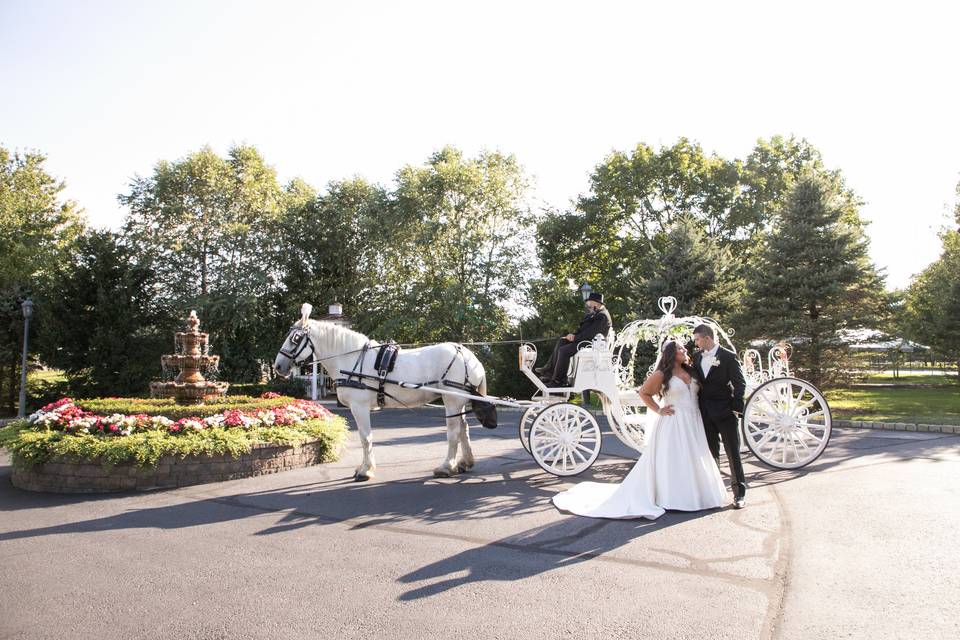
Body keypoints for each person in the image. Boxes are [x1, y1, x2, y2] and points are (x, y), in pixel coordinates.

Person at [552, 340, 727, 519]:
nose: (684, 350)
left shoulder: (692, 371)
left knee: (695, 457)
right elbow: (644, 393)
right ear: (670, 353)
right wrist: (659, 409)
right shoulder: (661, 374)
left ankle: (700, 496)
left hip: (694, 421)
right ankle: (675, 498)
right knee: (676, 459)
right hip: (674, 422)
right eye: (680, 348)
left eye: (683, 347)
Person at [691, 324, 748, 509]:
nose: (695, 343)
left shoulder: (728, 356)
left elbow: (740, 384)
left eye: (697, 339)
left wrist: (736, 408)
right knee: (710, 454)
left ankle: (739, 494)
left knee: (733, 454)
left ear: (707, 338)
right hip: (705, 413)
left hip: (725, 412)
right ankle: (713, 493)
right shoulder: (697, 356)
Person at [535, 292, 612, 386]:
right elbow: (583, 330)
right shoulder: (596, 313)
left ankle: (559, 381)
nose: (588, 305)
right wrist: (572, 335)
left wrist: (575, 338)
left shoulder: (602, 316)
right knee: (562, 341)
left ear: (596, 303)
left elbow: (590, 334)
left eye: (589, 302)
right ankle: (549, 373)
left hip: (592, 344)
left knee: (564, 351)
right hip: (586, 341)